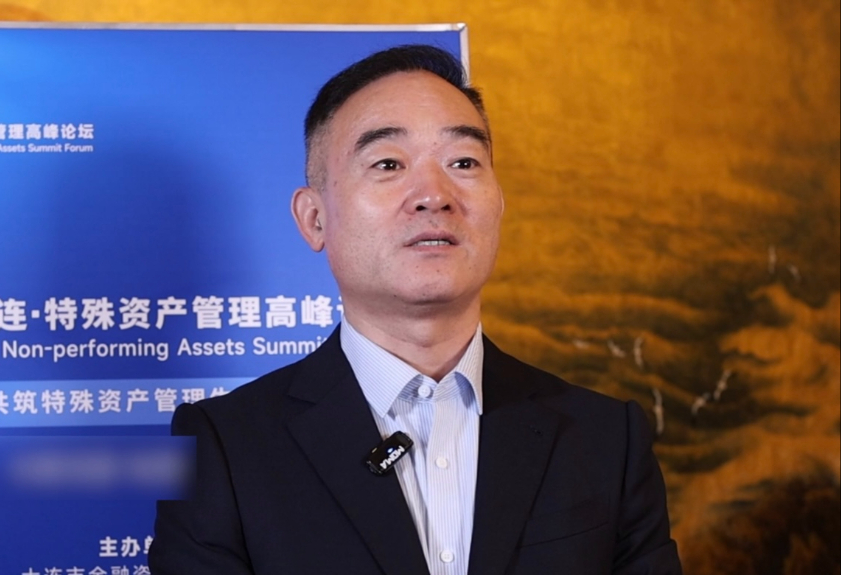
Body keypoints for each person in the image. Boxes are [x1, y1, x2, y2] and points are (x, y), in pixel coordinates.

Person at [149, 44, 682, 575]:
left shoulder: (605, 439)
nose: (434, 195)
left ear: (499, 204)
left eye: (463, 162)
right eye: (388, 163)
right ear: (314, 219)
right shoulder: (223, 447)